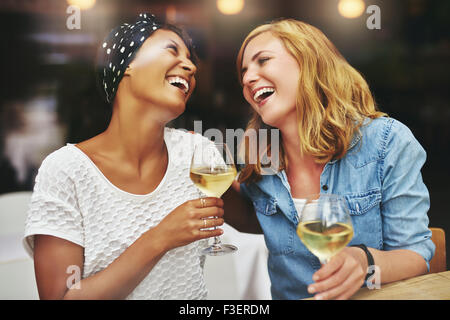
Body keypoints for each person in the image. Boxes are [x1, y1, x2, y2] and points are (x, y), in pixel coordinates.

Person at [23, 13, 225, 300]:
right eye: (172, 49)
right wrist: (160, 237)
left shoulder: (196, 153)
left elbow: (263, 217)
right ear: (127, 64)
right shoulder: (66, 171)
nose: (191, 66)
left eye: (191, 58)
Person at [232, 18, 435, 300]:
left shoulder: (386, 142)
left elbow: (416, 255)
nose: (247, 78)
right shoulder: (254, 161)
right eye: (243, 71)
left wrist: (366, 261)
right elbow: (230, 205)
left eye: (263, 61)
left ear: (310, 61)